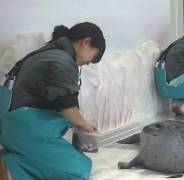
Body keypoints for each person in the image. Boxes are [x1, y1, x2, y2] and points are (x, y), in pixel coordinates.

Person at [0, 22, 105, 180]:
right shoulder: (62, 61)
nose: (89, 63)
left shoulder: (47, 53)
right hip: (29, 132)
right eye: (93, 56)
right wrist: (84, 125)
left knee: (44, 165)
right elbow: (66, 104)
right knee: (80, 168)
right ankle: (12, 167)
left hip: (11, 128)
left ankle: (11, 168)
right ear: (86, 42)